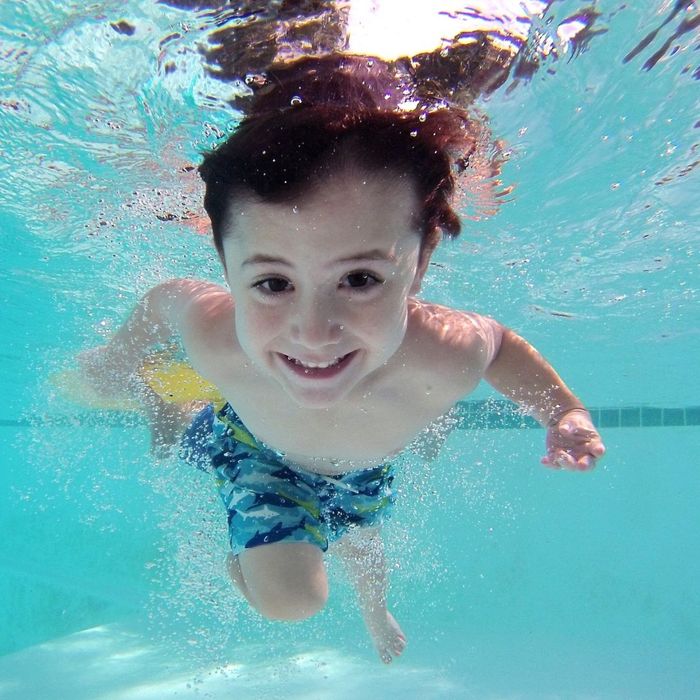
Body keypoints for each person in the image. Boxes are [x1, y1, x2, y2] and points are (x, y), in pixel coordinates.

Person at [78, 56, 605, 664]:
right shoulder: (217, 336)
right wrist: (120, 357)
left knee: (361, 541)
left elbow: (503, 347)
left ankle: (374, 608)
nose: (314, 334)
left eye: (359, 278)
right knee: (290, 600)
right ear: (226, 269)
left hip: (361, 469)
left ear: (421, 261)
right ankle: (173, 412)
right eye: (274, 284)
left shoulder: (444, 350)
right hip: (255, 454)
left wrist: (563, 411)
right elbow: (166, 300)